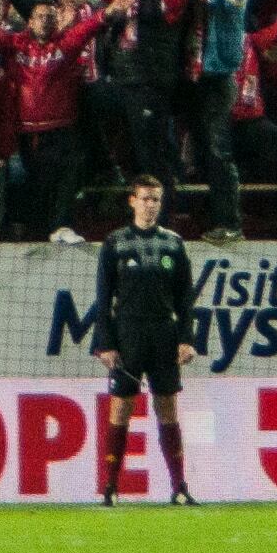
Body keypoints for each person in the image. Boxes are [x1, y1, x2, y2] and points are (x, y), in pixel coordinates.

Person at [92, 176, 198, 505]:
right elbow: (103, 296)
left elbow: (185, 299)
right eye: (146, 199)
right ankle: (110, 486)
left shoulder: (174, 243)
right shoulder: (115, 243)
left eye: (156, 200)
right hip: (128, 332)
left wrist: (186, 338)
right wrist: (105, 343)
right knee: (121, 407)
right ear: (132, 201)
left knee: (167, 407)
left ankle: (178, 486)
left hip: (163, 333)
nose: (151, 205)